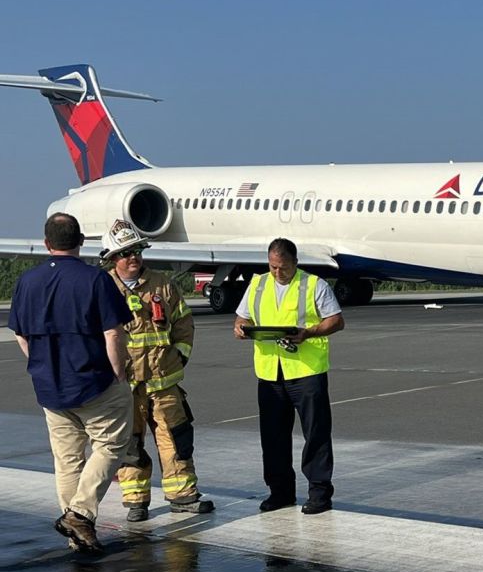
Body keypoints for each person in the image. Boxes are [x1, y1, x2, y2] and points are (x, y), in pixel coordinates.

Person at [7, 213, 133, 553]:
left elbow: (20, 333)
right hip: (94, 383)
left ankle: (77, 535)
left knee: (67, 461)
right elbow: (112, 332)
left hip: (50, 386)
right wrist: (119, 373)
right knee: (110, 446)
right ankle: (80, 514)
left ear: (47, 243)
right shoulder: (95, 280)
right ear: (80, 240)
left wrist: (41, 364)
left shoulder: (28, 282)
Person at [101, 219, 215, 522]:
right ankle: (136, 501)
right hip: (125, 387)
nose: (133, 257)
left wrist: (178, 356)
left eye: (137, 250)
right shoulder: (102, 288)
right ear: (113, 258)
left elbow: (183, 323)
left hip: (165, 383)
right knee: (130, 444)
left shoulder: (162, 284)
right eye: (126, 253)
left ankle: (184, 496)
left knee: (176, 439)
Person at [232, 238, 344, 514]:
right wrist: (242, 328)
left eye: (282, 267)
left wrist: (309, 332)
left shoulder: (314, 284)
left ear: (295, 262)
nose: (277, 273)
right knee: (273, 437)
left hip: (306, 371)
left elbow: (336, 320)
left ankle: (319, 493)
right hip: (270, 372)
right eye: (272, 267)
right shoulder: (258, 284)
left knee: (315, 434)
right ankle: (280, 492)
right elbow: (241, 317)